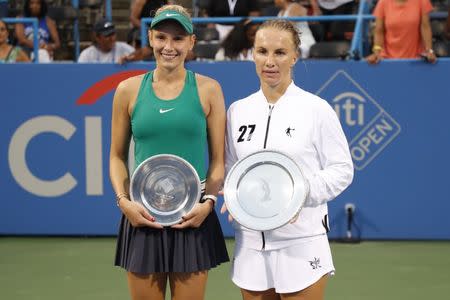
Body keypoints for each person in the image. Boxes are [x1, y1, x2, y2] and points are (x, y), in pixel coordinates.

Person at [222, 19, 353, 299]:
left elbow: (342, 169)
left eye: (280, 53)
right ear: (252, 54)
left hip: (301, 241)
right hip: (250, 242)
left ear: (295, 56)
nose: (270, 61)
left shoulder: (316, 109)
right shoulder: (237, 111)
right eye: (262, 51)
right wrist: (234, 198)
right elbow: (232, 167)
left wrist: (300, 192)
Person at [109, 4, 229, 300]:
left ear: (191, 43)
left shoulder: (209, 89)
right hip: (142, 214)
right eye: (162, 37)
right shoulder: (127, 89)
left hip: (193, 215)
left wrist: (209, 202)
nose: (169, 47)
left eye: (178, 39)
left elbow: (218, 161)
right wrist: (125, 203)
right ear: (150, 38)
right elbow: (116, 157)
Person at [366, 0, 436, 64]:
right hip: (387, 59)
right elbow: (379, 31)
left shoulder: (422, 1)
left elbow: (425, 27)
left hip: (416, 60)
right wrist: (377, 51)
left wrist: (429, 50)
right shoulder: (383, 2)